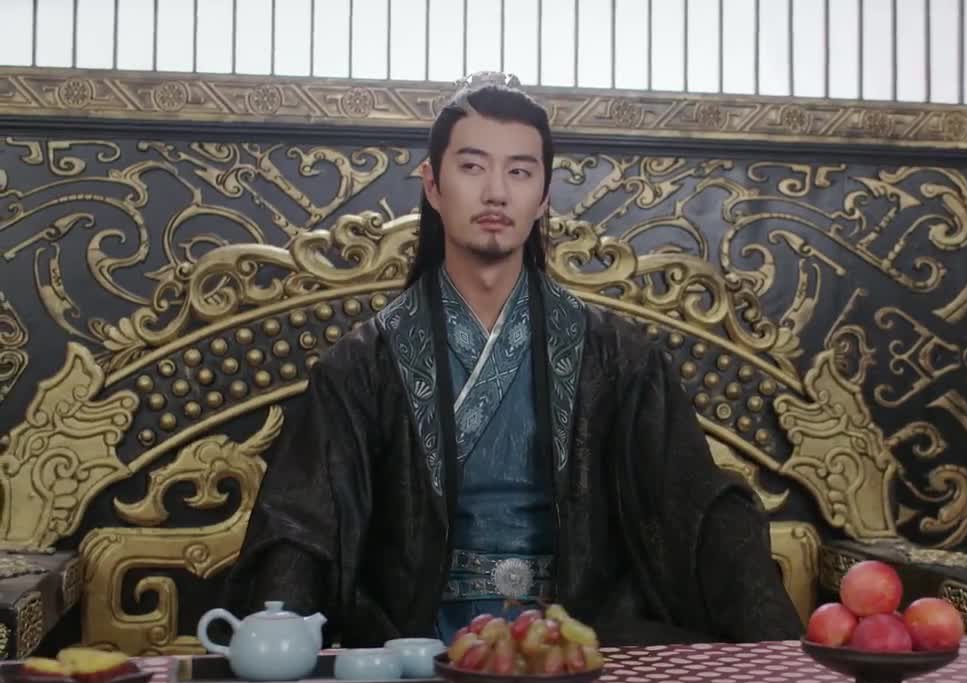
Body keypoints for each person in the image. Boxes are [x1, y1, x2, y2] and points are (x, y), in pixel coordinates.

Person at [224, 72, 803, 647]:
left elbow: (698, 509)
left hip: (579, 645)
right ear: (433, 185)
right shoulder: (362, 365)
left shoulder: (618, 359)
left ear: (544, 196)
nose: (496, 193)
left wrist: (780, 655)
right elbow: (302, 525)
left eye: (520, 172)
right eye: (473, 167)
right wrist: (276, 647)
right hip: (419, 646)